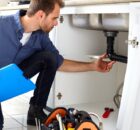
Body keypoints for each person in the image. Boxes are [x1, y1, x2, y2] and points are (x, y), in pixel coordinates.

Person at [0, 0, 115, 128]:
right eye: (54, 18)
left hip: (10, 79)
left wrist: (93, 66)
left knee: (50, 58)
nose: (56, 23)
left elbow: (58, 62)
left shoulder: (41, 37)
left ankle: (35, 112)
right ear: (41, 15)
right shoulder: (2, 24)